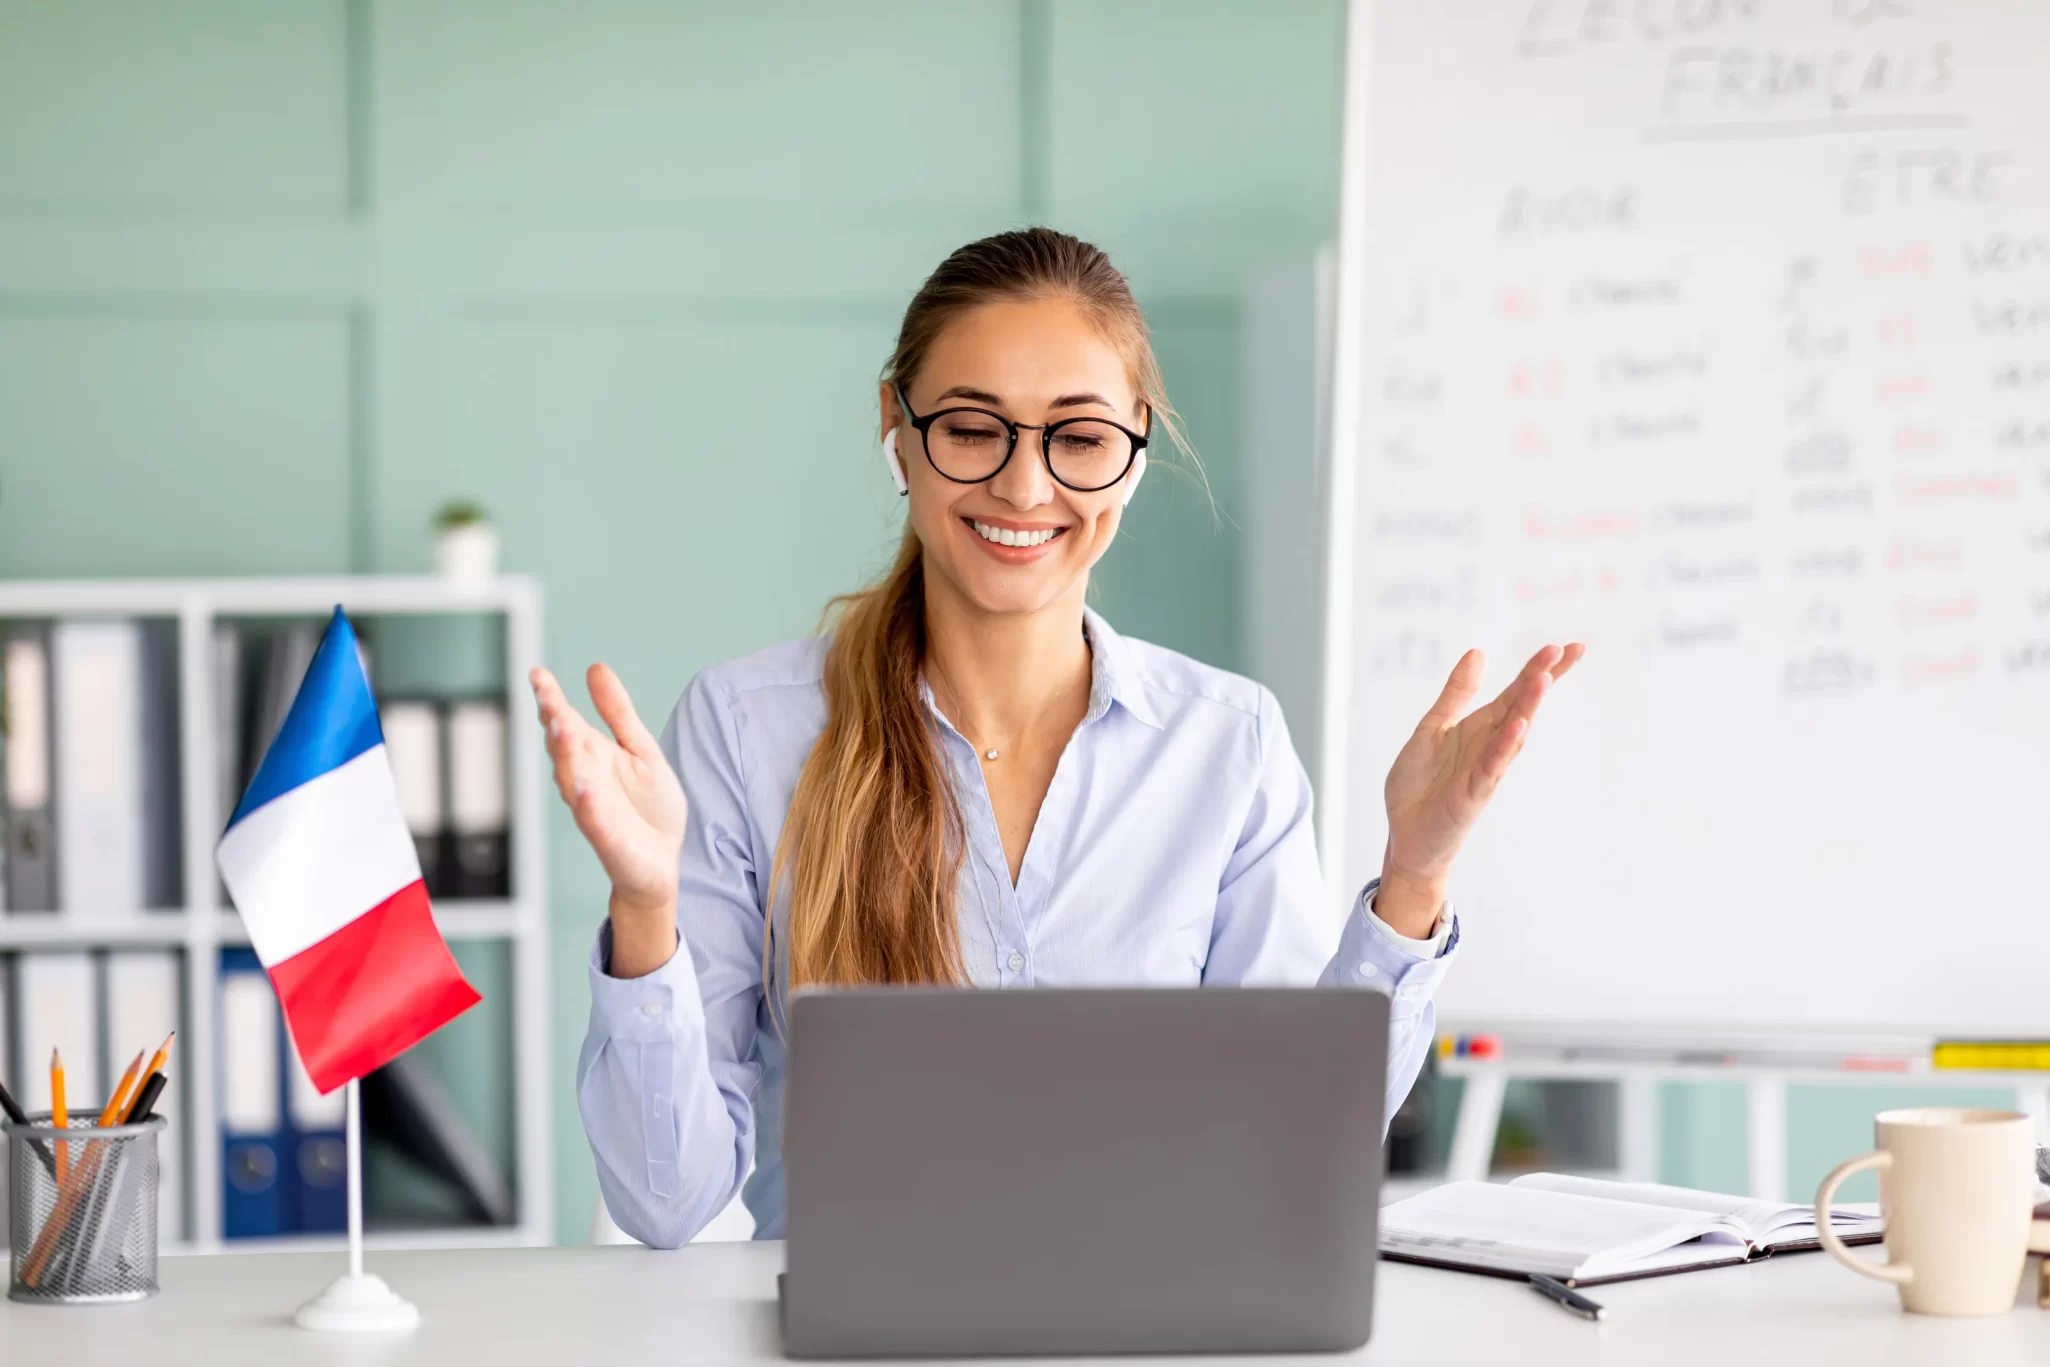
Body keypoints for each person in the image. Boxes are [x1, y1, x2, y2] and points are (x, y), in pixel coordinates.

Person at [530, 227, 1582, 1248]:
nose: (1025, 487)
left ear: (1132, 456)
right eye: (972, 426)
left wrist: (1414, 873)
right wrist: (645, 904)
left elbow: (1293, 1147)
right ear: (897, 429)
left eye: (1077, 437)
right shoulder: (748, 727)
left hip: (1152, 1328)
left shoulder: (1228, 743)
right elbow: (667, 1203)